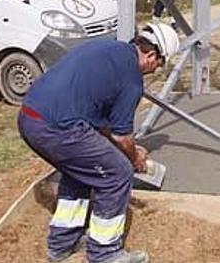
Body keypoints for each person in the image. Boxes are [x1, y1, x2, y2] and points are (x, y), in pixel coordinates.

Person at [17, 23, 180, 263]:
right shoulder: (132, 80)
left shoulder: (106, 49)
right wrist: (134, 158)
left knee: (82, 173)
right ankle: (105, 253)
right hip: (58, 128)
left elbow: (104, 126)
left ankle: (63, 245)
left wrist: (129, 148)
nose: (156, 70)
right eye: (159, 64)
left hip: (30, 118)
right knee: (118, 173)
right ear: (151, 55)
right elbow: (120, 136)